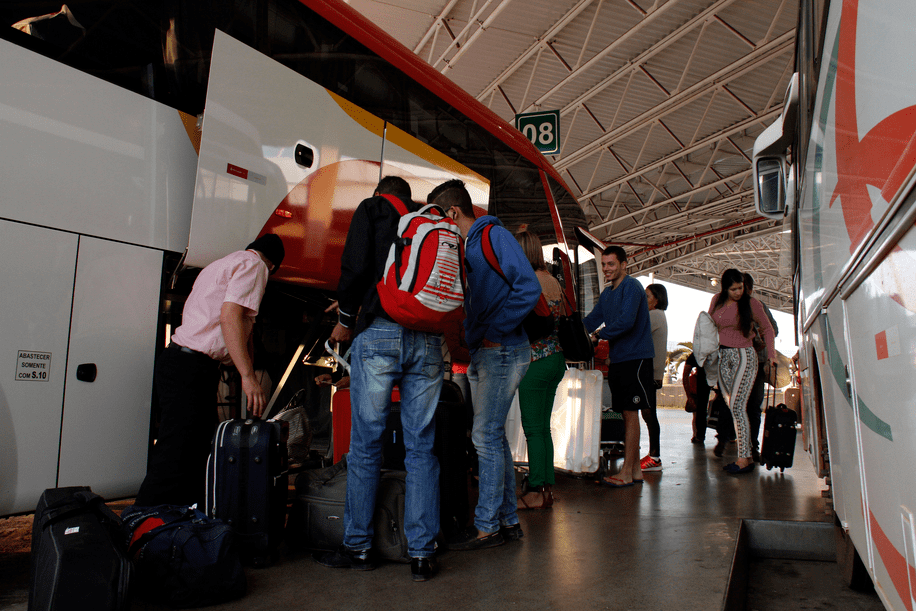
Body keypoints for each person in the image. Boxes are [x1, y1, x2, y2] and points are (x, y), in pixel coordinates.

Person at [315, 176, 443, 582]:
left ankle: (359, 547)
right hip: (427, 339)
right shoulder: (424, 223)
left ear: (380, 193)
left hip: (381, 334)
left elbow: (354, 267)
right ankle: (422, 554)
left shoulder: (372, 210)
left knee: (366, 444)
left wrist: (345, 319)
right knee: (421, 448)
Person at [135, 233, 285, 508]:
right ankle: (140, 525)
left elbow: (238, 325)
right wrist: (249, 377)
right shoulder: (255, 266)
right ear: (273, 266)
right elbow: (230, 316)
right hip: (191, 368)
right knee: (176, 454)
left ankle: (187, 523)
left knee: (195, 452)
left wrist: (244, 365)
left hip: (182, 363)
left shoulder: (221, 264)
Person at [432, 179, 540, 550]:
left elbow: (528, 286)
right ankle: (508, 521)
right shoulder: (470, 245)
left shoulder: (493, 236)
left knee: (483, 437)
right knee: (492, 438)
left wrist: (496, 330)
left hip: (504, 349)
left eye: (438, 216)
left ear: (453, 213)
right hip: (486, 352)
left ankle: (487, 525)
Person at [583, 246, 655, 487]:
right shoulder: (607, 293)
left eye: (611, 264)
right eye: (604, 264)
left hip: (636, 358)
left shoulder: (632, 287)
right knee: (626, 412)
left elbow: (626, 321)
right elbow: (593, 317)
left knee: (630, 413)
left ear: (624, 264)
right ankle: (634, 471)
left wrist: (598, 335)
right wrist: (570, 327)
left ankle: (626, 471)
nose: (606, 269)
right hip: (620, 359)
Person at [514, 230, 566, 510]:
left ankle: (534, 492)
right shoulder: (552, 280)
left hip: (535, 360)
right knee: (543, 429)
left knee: (533, 430)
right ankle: (546, 488)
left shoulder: (527, 282)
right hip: (555, 358)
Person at [708, 268, 776, 474]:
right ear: (725, 288)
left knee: (738, 406)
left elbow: (768, 328)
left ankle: (744, 458)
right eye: (733, 289)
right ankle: (745, 456)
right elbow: (709, 326)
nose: (738, 292)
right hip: (723, 356)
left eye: (741, 288)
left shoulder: (752, 303)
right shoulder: (717, 300)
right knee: (732, 406)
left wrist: (771, 355)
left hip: (745, 355)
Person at [743, 273, 778, 461]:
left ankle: (751, 446)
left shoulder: (759, 306)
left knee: (753, 406)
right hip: (740, 362)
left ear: (749, 289)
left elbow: (774, 329)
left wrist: (757, 332)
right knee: (744, 406)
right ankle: (744, 445)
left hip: (756, 363)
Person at [639, 283, 668, 472]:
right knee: (647, 413)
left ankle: (655, 457)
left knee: (649, 413)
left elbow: (635, 331)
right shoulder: (657, 316)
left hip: (649, 372)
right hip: (651, 372)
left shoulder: (655, 315)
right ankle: (653, 455)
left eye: (647, 296)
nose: (644, 299)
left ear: (656, 300)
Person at [682, 353, 711, 444]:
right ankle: (730, 436)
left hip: (700, 385)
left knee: (699, 412)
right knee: (701, 411)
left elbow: (685, 375)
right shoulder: (713, 352)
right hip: (703, 383)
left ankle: (698, 436)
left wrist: (689, 396)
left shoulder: (696, 354)